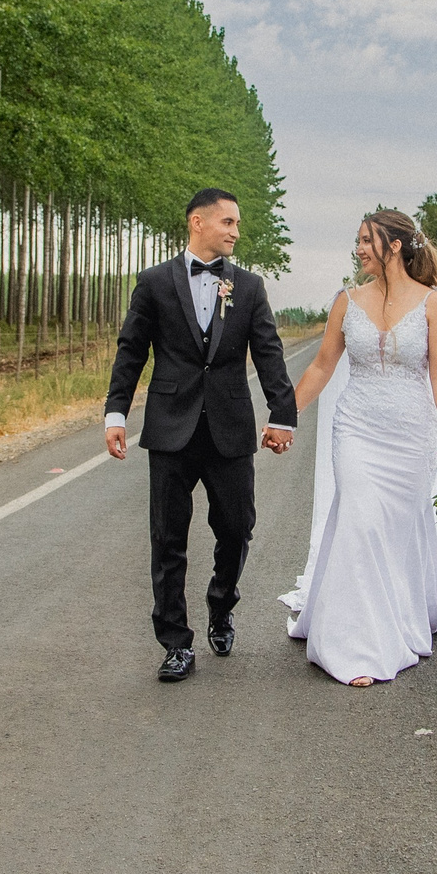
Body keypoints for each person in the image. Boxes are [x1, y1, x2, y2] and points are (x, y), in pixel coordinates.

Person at [104, 188, 299, 682]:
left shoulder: (249, 287)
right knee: (167, 538)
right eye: (228, 222)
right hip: (170, 427)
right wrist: (116, 413)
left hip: (229, 427)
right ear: (198, 222)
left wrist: (283, 413)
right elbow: (131, 350)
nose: (236, 231)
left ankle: (221, 604)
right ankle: (175, 643)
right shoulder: (153, 282)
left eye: (238, 224)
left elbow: (269, 352)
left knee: (236, 527)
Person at [280, 208, 437, 687]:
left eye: (368, 240)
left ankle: (395, 619)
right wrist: (285, 416)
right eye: (359, 240)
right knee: (361, 522)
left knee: (392, 532)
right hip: (356, 430)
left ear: (395, 246)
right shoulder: (347, 301)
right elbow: (322, 366)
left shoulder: (434, 305)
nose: (359, 248)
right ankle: (356, 647)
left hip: (411, 437)